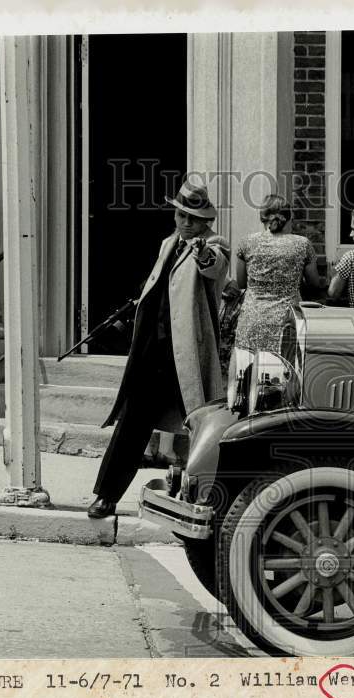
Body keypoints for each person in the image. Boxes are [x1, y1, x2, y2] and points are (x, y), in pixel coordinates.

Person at [88, 181, 230, 519]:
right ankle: (106, 496)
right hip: (154, 352)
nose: (185, 223)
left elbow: (216, 266)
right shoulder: (168, 243)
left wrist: (203, 254)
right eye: (181, 215)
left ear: (204, 222)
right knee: (132, 424)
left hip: (188, 357)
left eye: (193, 219)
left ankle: (207, 499)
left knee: (202, 428)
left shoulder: (212, 243)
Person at [233, 194, 321, 354]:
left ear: (262, 217)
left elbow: (240, 283)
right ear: (289, 217)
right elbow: (315, 283)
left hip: (253, 319)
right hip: (287, 321)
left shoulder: (246, 243)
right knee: (285, 372)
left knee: (249, 371)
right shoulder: (302, 244)